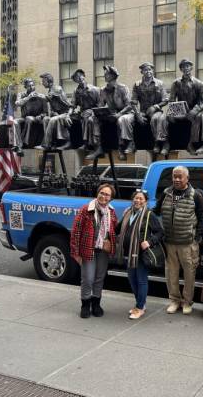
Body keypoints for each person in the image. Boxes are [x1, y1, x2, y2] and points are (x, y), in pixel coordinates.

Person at [153, 166, 203, 315]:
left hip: (187, 243)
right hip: (169, 242)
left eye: (180, 177)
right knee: (171, 273)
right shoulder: (166, 193)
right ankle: (175, 300)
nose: (176, 179)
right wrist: (139, 209)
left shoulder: (195, 195)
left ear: (187, 178)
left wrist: (196, 238)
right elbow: (156, 211)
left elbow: (201, 218)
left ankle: (187, 302)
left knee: (189, 273)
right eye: (174, 176)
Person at [70, 183, 118, 319]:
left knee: (99, 278)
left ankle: (96, 304)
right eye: (102, 193)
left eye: (107, 194)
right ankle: (85, 305)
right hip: (88, 249)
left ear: (111, 198)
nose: (103, 196)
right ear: (98, 193)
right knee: (88, 279)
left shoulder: (111, 212)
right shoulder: (87, 209)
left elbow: (114, 230)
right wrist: (75, 252)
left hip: (103, 251)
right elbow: (76, 231)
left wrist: (112, 244)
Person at [116, 190, 163, 320]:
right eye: (136, 198)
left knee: (141, 280)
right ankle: (140, 304)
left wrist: (149, 241)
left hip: (141, 254)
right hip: (129, 253)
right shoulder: (128, 213)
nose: (138, 201)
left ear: (145, 201)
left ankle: (140, 307)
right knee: (132, 279)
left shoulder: (149, 215)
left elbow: (160, 232)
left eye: (141, 199)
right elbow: (117, 228)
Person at [169, 59, 203, 155]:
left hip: (195, 111)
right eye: (183, 67)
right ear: (181, 69)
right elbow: (172, 99)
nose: (186, 68)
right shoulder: (176, 83)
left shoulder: (199, 83)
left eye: (187, 66)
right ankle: (166, 144)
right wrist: (173, 112)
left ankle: (191, 144)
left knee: (198, 117)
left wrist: (195, 111)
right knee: (167, 118)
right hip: (180, 110)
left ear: (191, 68)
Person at [131, 62, 170, 156]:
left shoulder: (160, 83)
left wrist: (155, 106)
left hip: (156, 111)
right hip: (143, 112)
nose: (148, 71)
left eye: (150, 69)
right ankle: (131, 145)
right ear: (142, 72)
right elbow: (133, 102)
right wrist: (138, 114)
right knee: (129, 120)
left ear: (152, 71)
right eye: (145, 70)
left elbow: (165, 100)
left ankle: (161, 143)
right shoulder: (137, 85)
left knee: (157, 119)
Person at [98, 65, 134, 160]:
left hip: (126, 113)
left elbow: (129, 105)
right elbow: (100, 106)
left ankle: (127, 145)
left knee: (122, 120)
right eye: (105, 74)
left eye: (107, 74)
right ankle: (99, 147)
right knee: (97, 121)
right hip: (112, 114)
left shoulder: (122, 88)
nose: (104, 76)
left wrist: (119, 114)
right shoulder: (103, 90)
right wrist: (101, 113)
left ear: (113, 76)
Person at [71, 69, 102, 160]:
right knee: (70, 119)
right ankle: (72, 142)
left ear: (84, 76)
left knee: (87, 117)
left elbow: (100, 104)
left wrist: (93, 112)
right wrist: (68, 114)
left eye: (80, 75)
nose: (79, 78)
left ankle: (87, 144)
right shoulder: (76, 91)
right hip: (82, 113)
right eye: (76, 77)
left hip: (94, 112)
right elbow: (73, 105)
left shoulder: (95, 89)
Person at [36, 72, 73, 150]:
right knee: (46, 119)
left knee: (53, 120)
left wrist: (36, 94)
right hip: (58, 114)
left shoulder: (56, 88)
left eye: (43, 81)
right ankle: (51, 143)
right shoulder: (50, 90)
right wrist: (53, 112)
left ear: (48, 80)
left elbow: (48, 98)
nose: (42, 83)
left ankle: (45, 144)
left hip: (66, 113)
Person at [15, 77, 49, 148]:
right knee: (15, 122)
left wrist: (41, 116)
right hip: (24, 117)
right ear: (25, 87)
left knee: (29, 118)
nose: (31, 87)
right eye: (29, 86)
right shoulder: (21, 95)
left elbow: (45, 112)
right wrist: (28, 98)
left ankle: (26, 141)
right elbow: (17, 103)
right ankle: (19, 143)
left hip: (36, 118)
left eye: (32, 85)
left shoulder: (40, 96)